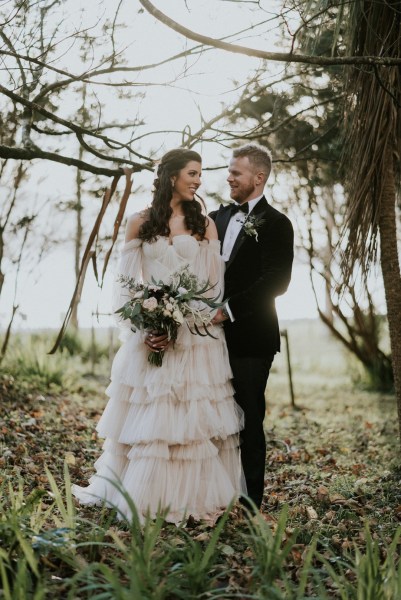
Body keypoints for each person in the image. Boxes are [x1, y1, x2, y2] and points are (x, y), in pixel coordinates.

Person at [72, 148, 245, 524]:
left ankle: (191, 497)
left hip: (195, 338)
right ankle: (143, 495)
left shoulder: (205, 225)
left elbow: (212, 288)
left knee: (190, 423)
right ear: (171, 176)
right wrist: (149, 325)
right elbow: (125, 287)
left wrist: (180, 323)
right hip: (150, 334)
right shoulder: (139, 222)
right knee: (151, 424)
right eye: (192, 173)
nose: (198, 181)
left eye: (200, 174)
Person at [210, 143, 294, 511]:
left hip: (252, 338)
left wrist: (229, 310)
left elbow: (277, 281)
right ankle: (214, 491)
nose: (229, 177)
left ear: (258, 177)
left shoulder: (277, 224)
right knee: (212, 414)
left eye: (236, 172)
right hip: (208, 339)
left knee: (248, 417)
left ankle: (250, 503)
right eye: (229, 171)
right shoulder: (217, 218)